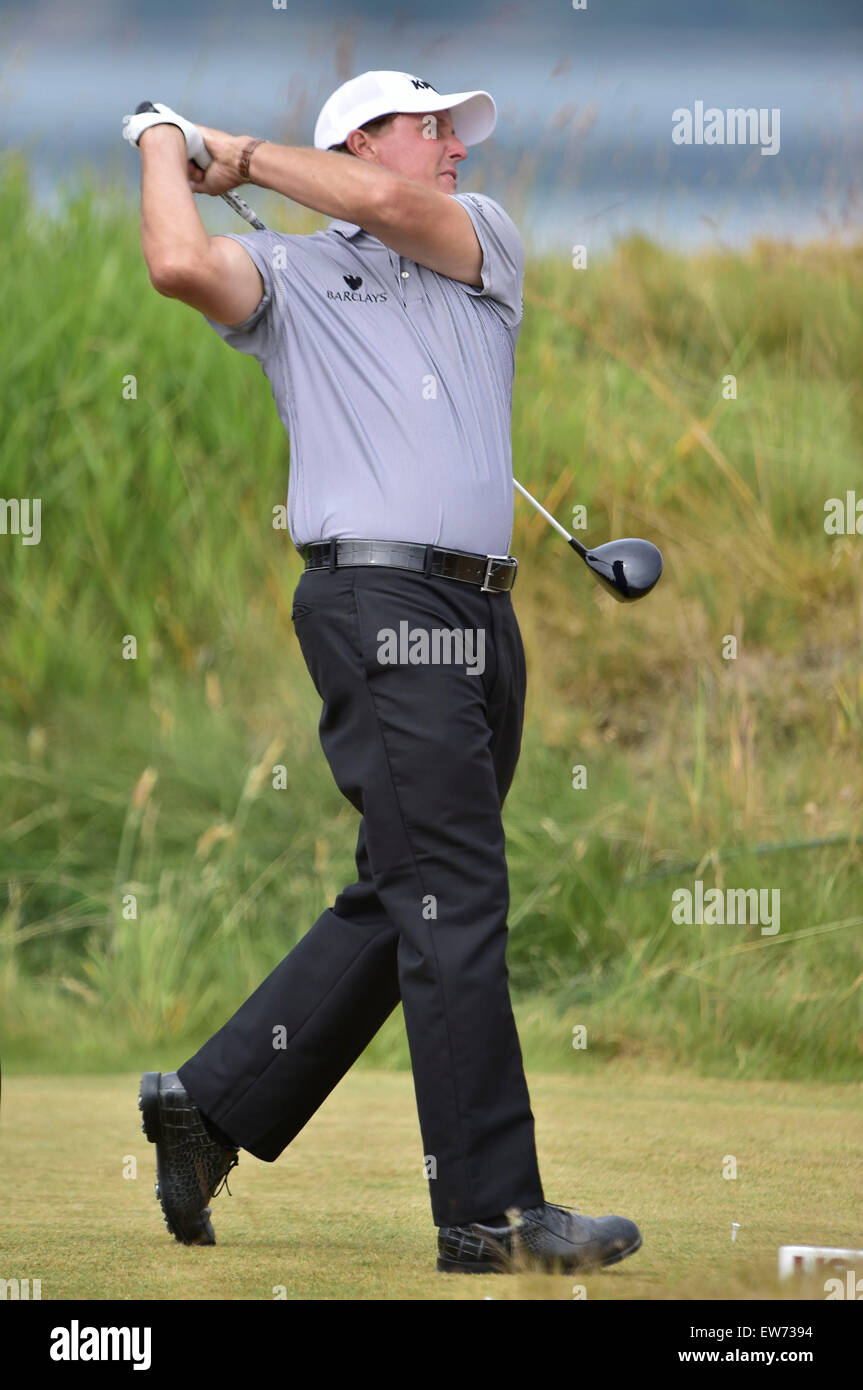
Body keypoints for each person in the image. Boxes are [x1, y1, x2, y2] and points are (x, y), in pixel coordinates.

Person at [126, 69, 642, 1275]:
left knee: (410, 885)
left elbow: (396, 210)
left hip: (482, 615)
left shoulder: (480, 243)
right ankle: (489, 1211)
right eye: (432, 128)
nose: (455, 147)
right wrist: (159, 143)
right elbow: (176, 264)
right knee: (453, 890)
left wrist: (238, 155)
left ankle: (211, 1105)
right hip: (375, 597)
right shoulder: (291, 279)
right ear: (360, 137)